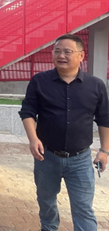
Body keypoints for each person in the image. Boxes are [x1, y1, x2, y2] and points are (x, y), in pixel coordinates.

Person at [19, 33, 109, 231]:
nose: (61, 56)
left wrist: (104, 151)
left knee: (83, 208)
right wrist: (33, 139)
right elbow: (27, 111)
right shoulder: (39, 81)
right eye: (57, 51)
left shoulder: (96, 85)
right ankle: (49, 227)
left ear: (81, 55)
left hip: (80, 160)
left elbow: (104, 119)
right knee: (46, 201)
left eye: (68, 51)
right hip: (47, 157)